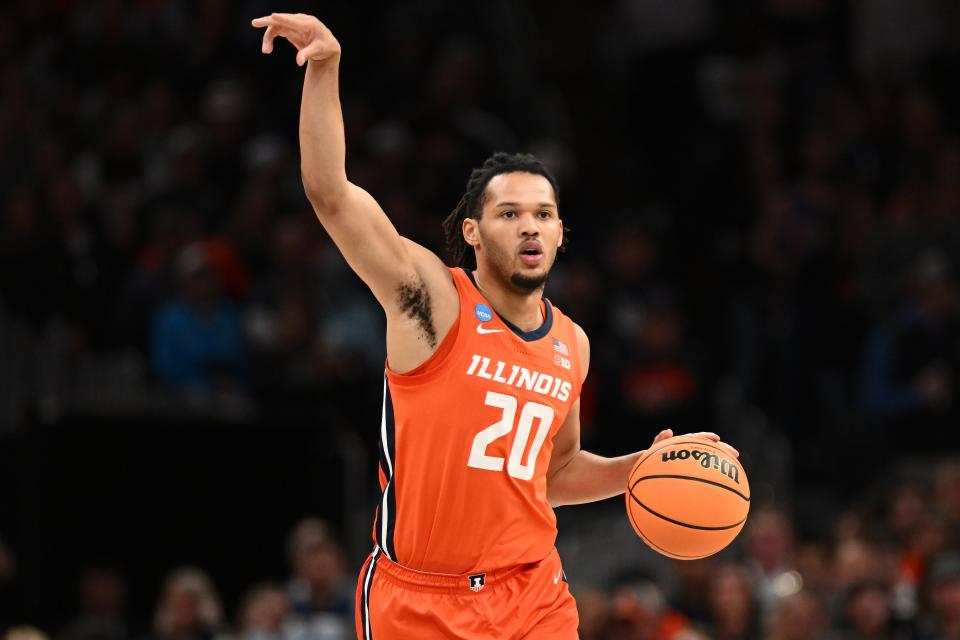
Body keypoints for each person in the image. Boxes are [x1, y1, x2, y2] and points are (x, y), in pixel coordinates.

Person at [251, 12, 739, 639]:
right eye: (509, 213)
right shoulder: (430, 300)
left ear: (561, 236)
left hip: (531, 591)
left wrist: (646, 465)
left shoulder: (572, 343)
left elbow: (552, 474)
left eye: (544, 213)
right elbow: (331, 193)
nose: (530, 225)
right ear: (474, 234)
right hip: (422, 599)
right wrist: (324, 69)